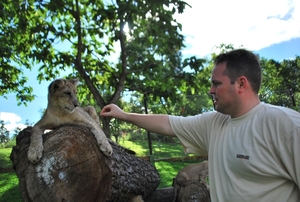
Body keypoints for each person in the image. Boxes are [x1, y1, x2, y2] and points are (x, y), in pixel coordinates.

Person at [100, 49, 300, 202]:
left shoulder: (285, 125)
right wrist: (123, 115)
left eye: (216, 84)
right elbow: (169, 124)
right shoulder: (215, 122)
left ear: (241, 84)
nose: (211, 90)